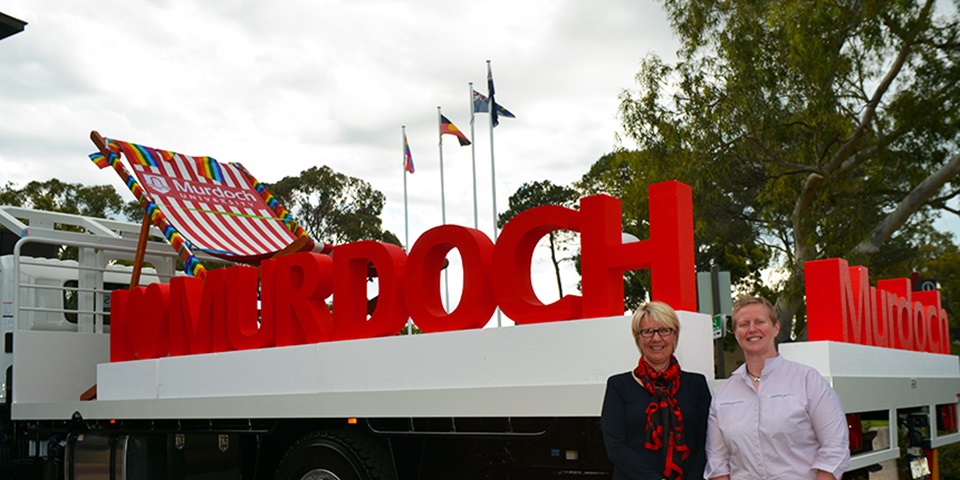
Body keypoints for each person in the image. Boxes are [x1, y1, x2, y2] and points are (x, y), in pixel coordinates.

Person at [704, 295, 850, 480]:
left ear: (776, 328)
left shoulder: (807, 380)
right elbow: (717, 461)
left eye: (759, 322)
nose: (752, 329)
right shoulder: (722, 395)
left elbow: (835, 446)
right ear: (735, 333)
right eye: (743, 324)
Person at [602, 301, 712, 479]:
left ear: (675, 336)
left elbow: (706, 443)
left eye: (664, 330)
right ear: (637, 338)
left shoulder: (696, 384)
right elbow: (615, 447)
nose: (656, 338)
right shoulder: (619, 386)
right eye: (647, 331)